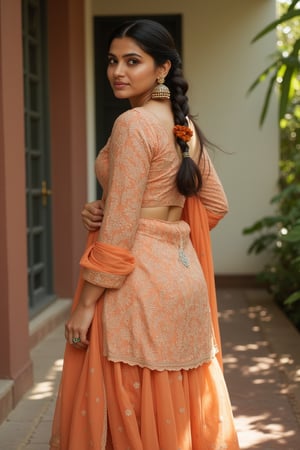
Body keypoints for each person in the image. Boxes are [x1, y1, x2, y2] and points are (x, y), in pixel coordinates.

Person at [49, 19, 240, 450]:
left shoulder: (134, 124)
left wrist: (83, 305)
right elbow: (214, 206)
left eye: (132, 61)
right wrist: (157, 224)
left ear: (162, 69)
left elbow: (118, 232)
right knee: (174, 410)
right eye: (112, 60)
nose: (118, 71)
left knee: (130, 413)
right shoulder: (181, 125)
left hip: (136, 284)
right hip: (181, 276)